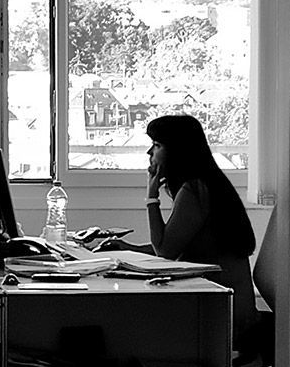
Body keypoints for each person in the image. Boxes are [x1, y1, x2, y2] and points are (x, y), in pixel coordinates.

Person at [103, 114, 258, 344]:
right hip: (228, 307)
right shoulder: (206, 183)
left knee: (127, 324)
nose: (149, 153)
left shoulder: (194, 190)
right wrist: (129, 249)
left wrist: (151, 197)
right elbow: (176, 243)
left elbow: (166, 251)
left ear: (177, 150)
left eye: (156, 145)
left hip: (227, 317)